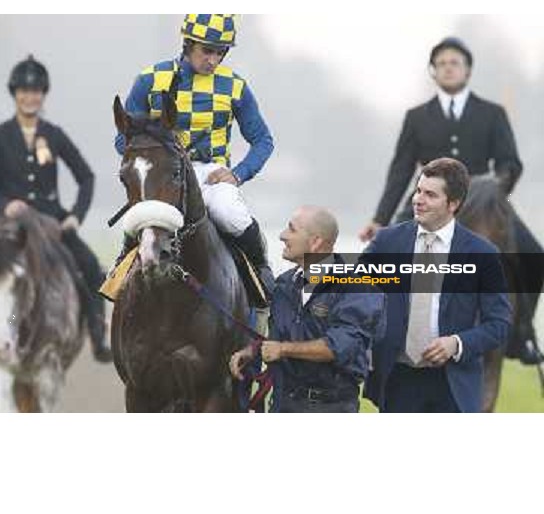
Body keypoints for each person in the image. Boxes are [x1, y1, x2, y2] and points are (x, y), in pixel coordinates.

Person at [358, 36, 543, 365]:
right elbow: (401, 169)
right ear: (434, 72)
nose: (447, 68)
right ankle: (374, 329)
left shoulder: (493, 113)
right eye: (441, 63)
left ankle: (521, 334)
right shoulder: (416, 116)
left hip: (484, 201)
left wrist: (495, 188)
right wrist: (380, 217)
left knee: (534, 255)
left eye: (454, 62)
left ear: (468, 70)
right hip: (427, 200)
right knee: (387, 250)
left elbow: (510, 163)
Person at [0, 55, 112, 362]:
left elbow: (86, 177)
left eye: (36, 91)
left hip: (51, 221)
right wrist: (4, 205)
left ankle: (98, 335)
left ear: (43, 94)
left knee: (89, 265)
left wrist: (75, 216)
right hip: (1, 221)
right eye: (23, 90)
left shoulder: (55, 134)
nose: (30, 96)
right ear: (15, 93)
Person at [114, 14, 274, 294]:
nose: (213, 59)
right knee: (138, 218)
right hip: (163, 173)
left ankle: (262, 275)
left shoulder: (235, 86)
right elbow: (123, 138)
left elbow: (263, 140)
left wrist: (237, 174)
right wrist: (149, 159)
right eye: (207, 50)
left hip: (209, 173)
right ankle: (120, 275)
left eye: (220, 52)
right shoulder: (151, 79)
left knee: (229, 213)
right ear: (188, 45)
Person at [363, 158, 512, 413]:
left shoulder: (483, 253)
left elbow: (499, 323)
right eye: (418, 191)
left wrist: (457, 343)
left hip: (454, 385)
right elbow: (352, 286)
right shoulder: (387, 241)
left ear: (453, 204)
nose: (418, 200)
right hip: (398, 380)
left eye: (430, 195)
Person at [229, 206, 386, 413]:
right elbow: (281, 338)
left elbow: (338, 347)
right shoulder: (283, 285)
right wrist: (254, 351)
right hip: (282, 404)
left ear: (316, 242)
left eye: (291, 229)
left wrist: (282, 350)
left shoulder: (358, 287)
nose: (282, 236)